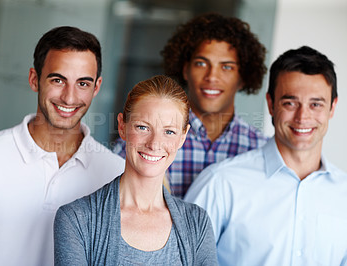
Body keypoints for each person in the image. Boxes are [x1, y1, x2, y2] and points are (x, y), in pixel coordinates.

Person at [0, 26, 124, 266]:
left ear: (97, 87)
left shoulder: (115, 174)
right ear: (34, 79)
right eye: (58, 80)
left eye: (83, 83)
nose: (69, 97)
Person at [185, 46, 347, 265]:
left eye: (315, 104)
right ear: (271, 104)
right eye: (290, 103)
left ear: (332, 107)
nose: (302, 117)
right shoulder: (220, 183)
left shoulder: (343, 194)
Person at [54, 75, 218, 265]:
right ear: (122, 127)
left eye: (169, 132)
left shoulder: (197, 223)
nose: (154, 144)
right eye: (142, 127)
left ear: (183, 137)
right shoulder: (76, 219)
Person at [113, 12, 268, 198]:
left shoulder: (260, 150)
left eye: (227, 67)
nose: (212, 76)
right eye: (201, 64)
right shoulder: (137, 145)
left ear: (243, 77)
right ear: (185, 69)